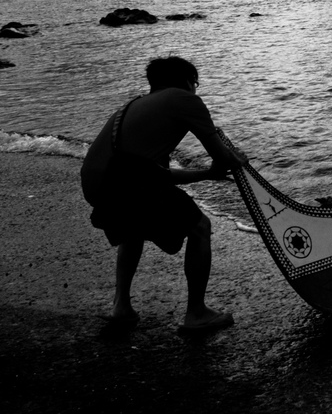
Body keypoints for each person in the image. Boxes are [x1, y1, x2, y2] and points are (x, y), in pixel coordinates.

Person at [79, 56, 248, 334]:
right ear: (186, 81)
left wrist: (207, 173)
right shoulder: (184, 99)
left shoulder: (134, 106)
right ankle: (196, 313)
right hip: (128, 183)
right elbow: (223, 157)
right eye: (195, 83)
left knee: (132, 232)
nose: (195, 89)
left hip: (99, 186)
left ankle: (121, 306)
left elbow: (156, 174)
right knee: (200, 228)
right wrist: (235, 161)